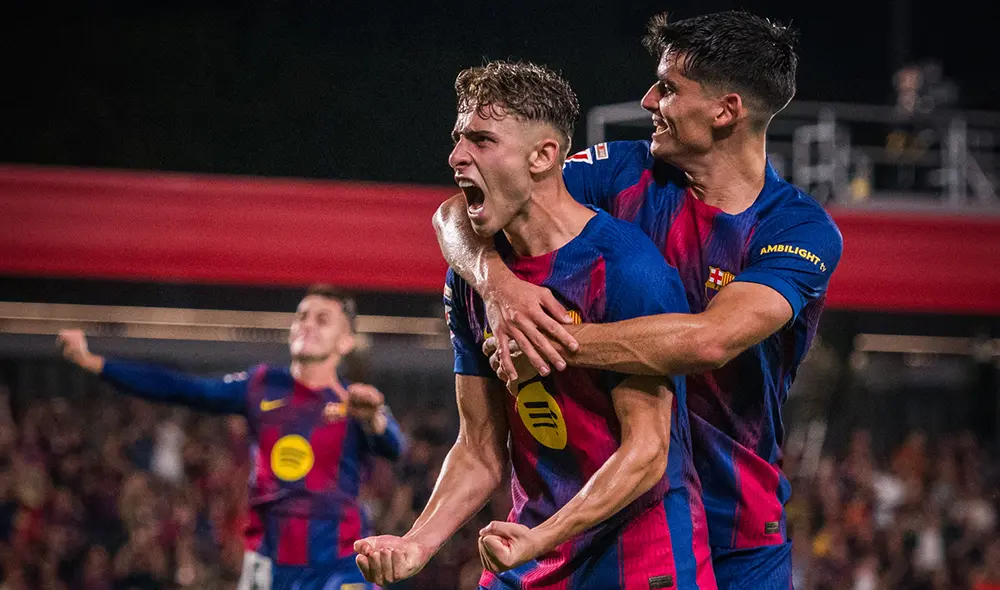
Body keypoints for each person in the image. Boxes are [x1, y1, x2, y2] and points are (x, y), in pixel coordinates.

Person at [432, 11, 843, 590]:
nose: (649, 99)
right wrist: (500, 289)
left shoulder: (797, 228)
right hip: (625, 515)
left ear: (727, 111)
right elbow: (461, 209)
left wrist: (548, 344)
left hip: (738, 528)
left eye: (669, 88)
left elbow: (710, 339)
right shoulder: (624, 173)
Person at [354, 60, 715, 589]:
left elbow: (646, 454)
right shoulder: (474, 282)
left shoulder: (625, 269)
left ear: (544, 156)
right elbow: (479, 449)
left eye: (481, 140)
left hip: (642, 561)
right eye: (458, 139)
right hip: (530, 554)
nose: (456, 157)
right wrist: (417, 543)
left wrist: (544, 536)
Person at [57, 285, 404, 590]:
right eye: (302, 316)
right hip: (269, 562)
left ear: (346, 341)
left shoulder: (354, 401)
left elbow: (395, 447)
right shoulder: (261, 385)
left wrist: (374, 417)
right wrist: (97, 363)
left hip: (338, 562)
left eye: (322, 319)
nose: (307, 324)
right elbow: (181, 388)